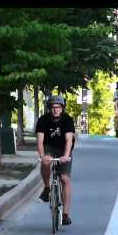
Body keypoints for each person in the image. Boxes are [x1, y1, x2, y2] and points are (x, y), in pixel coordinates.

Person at [35, 95, 75, 225]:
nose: (55, 110)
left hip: (64, 149)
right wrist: (42, 156)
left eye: (58, 107)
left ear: (62, 108)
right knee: (46, 162)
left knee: (64, 179)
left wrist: (66, 155)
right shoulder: (43, 120)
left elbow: (69, 140)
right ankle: (47, 187)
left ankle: (65, 214)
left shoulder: (67, 120)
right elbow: (40, 140)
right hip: (49, 147)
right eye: (52, 107)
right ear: (49, 108)